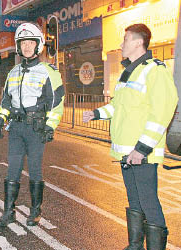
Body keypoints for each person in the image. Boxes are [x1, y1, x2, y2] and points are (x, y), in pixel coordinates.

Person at [83, 24, 178, 250]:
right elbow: (118, 106)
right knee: (134, 202)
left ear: (137, 42)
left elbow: (162, 110)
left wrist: (142, 149)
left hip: (141, 153)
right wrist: (96, 113)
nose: (121, 44)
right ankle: (135, 246)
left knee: (149, 203)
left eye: (125, 40)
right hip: (127, 153)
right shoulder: (129, 73)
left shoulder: (155, 70)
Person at [0, 22, 64, 228]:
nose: (26, 47)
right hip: (16, 129)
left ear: (38, 45)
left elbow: (56, 102)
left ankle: (35, 211)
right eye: (23, 43)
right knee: (12, 171)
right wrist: (0, 119)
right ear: (18, 46)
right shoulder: (13, 72)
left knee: (35, 171)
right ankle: (9, 212)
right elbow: (7, 100)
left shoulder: (48, 71)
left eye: (30, 42)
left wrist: (50, 126)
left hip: (36, 129)